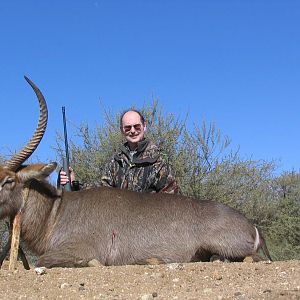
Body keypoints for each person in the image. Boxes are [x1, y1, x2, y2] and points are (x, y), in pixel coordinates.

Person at [59, 109, 180, 194]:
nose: (132, 131)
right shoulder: (115, 162)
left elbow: (171, 197)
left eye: (137, 126)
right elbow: (101, 192)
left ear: (144, 126)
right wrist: (74, 183)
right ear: (122, 130)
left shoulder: (158, 161)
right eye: (127, 128)